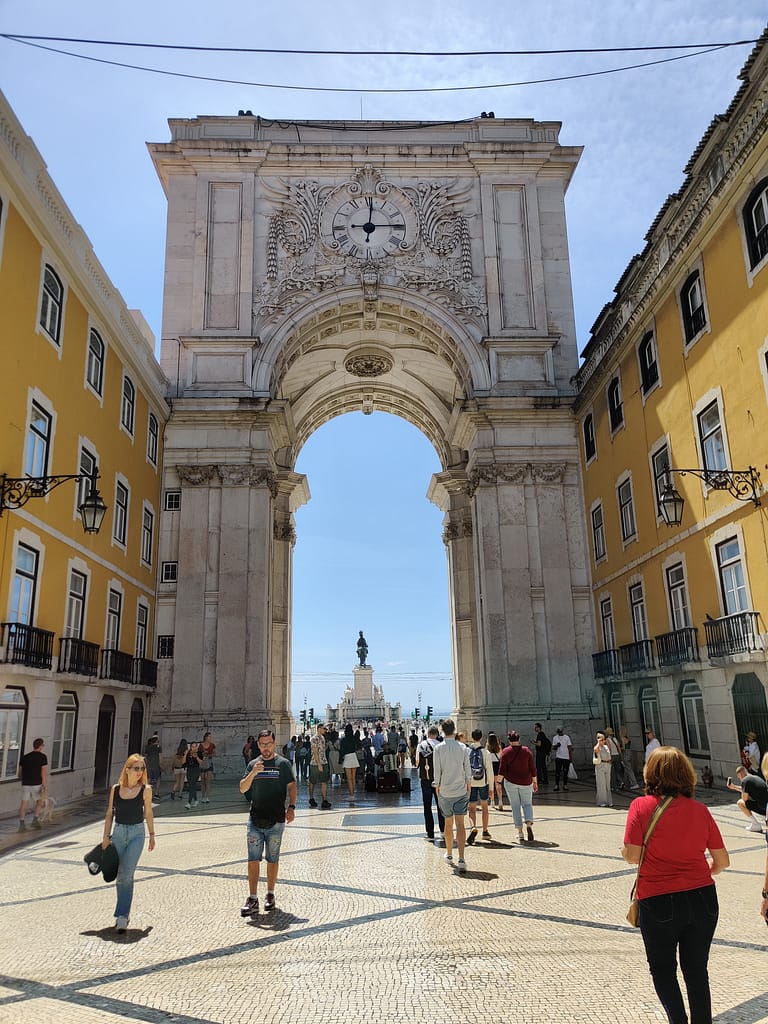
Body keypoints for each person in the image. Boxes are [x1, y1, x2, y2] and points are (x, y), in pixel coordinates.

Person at [622, 746, 729, 1024]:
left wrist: (625, 851)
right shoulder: (700, 810)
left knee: (663, 970)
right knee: (696, 971)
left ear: (650, 773)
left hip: (658, 900)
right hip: (703, 897)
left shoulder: (641, 806)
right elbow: (722, 861)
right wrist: (700, 871)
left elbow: (632, 855)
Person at [238, 729, 297, 916]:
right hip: (255, 819)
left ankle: (270, 894)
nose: (266, 747)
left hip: (277, 820)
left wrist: (292, 807)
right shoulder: (253, 764)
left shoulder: (283, 764)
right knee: (252, 860)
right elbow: (242, 788)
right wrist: (253, 773)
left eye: (269, 744)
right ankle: (253, 897)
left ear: (274, 743)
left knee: (273, 859)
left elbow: (292, 785)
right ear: (258, 745)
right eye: (262, 744)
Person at [101, 753, 156, 932]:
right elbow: (110, 813)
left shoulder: (146, 790)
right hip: (118, 832)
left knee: (127, 873)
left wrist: (152, 834)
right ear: (127, 769)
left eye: (142, 768)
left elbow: (148, 812)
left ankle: (122, 915)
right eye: (136, 768)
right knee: (120, 875)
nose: (139, 772)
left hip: (136, 833)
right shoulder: (116, 789)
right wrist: (105, 836)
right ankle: (122, 913)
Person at [433, 719, 471, 871]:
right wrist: (468, 784)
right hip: (461, 790)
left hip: (446, 791)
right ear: (454, 730)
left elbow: (437, 770)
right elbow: (467, 768)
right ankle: (462, 858)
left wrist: (437, 785)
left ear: (442, 730)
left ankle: (449, 854)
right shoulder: (462, 747)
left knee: (448, 824)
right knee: (461, 824)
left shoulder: (438, 748)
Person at [499, 731, 537, 842]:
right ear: (519, 739)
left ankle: (520, 833)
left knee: (515, 806)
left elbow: (502, 769)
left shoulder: (506, 752)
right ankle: (529, 824)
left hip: (511, 782)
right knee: (527, 804)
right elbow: (532, 768)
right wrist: (535, 781)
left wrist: (498, 783)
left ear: (509, 740)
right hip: (526, 781)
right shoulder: (526, 751)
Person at [416, 726, 445, 843]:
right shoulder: (441, 745)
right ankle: (443, 831)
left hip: (425, 779)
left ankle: (430, 833)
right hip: (439, 780)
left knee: (427, 806)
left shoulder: (421, 745)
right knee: (440, 806)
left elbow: (417, 761)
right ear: (437, 734)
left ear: (428, 734)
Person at [467, 729, 495, 843]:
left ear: (472, 737)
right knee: (484, 807)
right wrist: (491, 788)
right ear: (481, 737)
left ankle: (473, 827)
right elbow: (490, 771)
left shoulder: (467, 751)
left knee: (472, 808)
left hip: (471, 782)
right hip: (483, 782)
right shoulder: (486, 752)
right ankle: (485, 831)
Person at [17, 738, 47, 832]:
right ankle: (35, 820)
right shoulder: (43, 757)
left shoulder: (25, 757)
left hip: (25, 784)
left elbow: (20, 772)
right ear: (41, 746)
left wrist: (23, 779)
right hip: (36, 783)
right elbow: (43, 772)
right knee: (39, 802)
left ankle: (22, 824)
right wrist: (45, 784)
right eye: (43, 745)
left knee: (24, 804)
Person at [726, 765, 767, 831]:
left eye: (739, 777)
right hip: (766, 806)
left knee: (740, 803)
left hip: (763, 808)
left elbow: (745, 799)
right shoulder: (754, 777)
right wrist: (734, 787)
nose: (740, 779)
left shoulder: (745, 781)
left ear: (741, 775)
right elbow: (745, 790)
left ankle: (755, 824)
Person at [308, 722, 331, 809]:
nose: (325, 730)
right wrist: (319, 764)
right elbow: (315, 752)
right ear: (319, 729)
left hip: (324, 762)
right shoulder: (314, 739)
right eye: (324, 729)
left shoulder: (322, 738)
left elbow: (322, 750)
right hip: (315, 763)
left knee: (324, 781)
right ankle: (311, 798)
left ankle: (324, 800)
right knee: (312, 781)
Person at [339, 723, 360, 799]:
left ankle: (351, 795)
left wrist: (340, 759)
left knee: (349, 778)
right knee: (353, 777)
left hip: (347, 757)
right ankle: (353, 793)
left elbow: (342, 750)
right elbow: (358, 745)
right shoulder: (354, 738)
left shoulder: (344, 740)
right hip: (354, 756)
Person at [592, 732, 613, 807]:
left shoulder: (606, 747)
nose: (603, 741)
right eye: (602, 739)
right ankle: (602, 801)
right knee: (601, 784)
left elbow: (610, 752)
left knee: (608, 784)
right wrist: (598, 742)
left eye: (604, 739)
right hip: (600, 765)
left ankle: (609, 800)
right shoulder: (597, 747)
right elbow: (595, 749)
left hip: (607, 764)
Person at [551, 727, 573, 792]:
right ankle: (556, 785)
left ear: (562, 731)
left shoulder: (567, 737)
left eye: (560, 731)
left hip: (566, 757)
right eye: (558, 731)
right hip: (558, 757)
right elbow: (553, 748)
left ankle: (565, 785)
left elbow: (569, 747)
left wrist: (570, 757)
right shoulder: (555, 738)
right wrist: (557, 746)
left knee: (565, 771)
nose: (559, 733)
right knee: (557, 771)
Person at [620, 725, 641, 790]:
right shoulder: (628, 738)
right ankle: (624, 783)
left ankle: (634, 783)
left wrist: (619, 748)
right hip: (630, 753)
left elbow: (623, 747)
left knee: (628, 769)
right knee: (627, 769)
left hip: (626, 753)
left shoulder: (622, 738)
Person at [486, 732, 504, 809]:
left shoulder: (487, 748)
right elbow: (501, 757)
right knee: (498, 784)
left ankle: (492, 801)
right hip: (497, 766)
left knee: (491, 785)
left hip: (490, 766)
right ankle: (500, 801)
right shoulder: (499, 748)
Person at [184, 741, 203, 809]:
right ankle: (196, 800)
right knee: (192, 785)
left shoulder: (199, 753)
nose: (194, 748)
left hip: (196, 770)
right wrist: (185, 755)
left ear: (197, 747)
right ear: (191, 747)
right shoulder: (188, 753)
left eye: (195, 746)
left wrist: (196, 757)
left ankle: (189, 802)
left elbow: (201, 763)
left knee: (192, 785)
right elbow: (184, 762)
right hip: (189, 770)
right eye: (192, 746)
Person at [604, 727, 623, 791]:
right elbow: (619, 748)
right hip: (617, 755)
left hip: (612, 756)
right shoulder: (615, 739)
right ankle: (621, 781)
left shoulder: (607, 740)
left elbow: (609, 748)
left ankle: (614, 786)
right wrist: (621, 756)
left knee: (612, 772)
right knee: (617, 770)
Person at [199, 731, 216, 802]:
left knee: (208, 780)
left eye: (210, 737)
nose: (210, 738)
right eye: (209, 737)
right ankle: (202, 796)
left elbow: (214, 754)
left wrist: (208, 755)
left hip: (209, 762)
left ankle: (207, 797)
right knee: (203, 781)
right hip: (202, 763)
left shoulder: (212, 745)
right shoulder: (201, 745)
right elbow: (198, 754)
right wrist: (202, 754)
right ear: (206, 737)